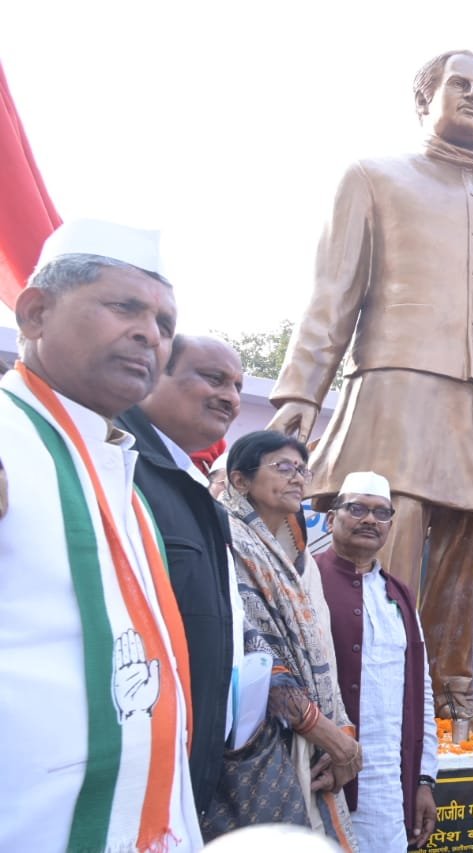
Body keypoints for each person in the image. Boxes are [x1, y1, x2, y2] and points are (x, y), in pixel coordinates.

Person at [267, 48, 473, 716]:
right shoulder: (375, 177)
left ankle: (449, 690)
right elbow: (333, 293)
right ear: (426, 99)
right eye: (460, 85)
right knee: (390, 529)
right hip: (401, 386)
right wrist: (300, 390)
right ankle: (370, 690)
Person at [0, 219, 202, 851]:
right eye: (124, 307)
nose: (150, 334)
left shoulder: (126, 477)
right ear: (34, 313)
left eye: (166, 325)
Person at [116, 334, 244, 820]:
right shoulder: (118, 465)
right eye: (213, 378)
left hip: (186, 768)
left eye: (236, 385)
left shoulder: (186, 482)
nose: (231, 397)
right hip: (127, 768)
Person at [221, 431, 362, 850]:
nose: (297, 477)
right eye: (283, 467)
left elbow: (323, 655)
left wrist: (341, 736)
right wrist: (331, 738)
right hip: (258, 747)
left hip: (318, 746)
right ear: (240, 481)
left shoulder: (298, 561)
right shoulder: (226, 540)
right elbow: (250, 649)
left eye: (302, 469)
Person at [316, 471, 439, 852]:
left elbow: (423, 691)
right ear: (331, 517)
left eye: (382, 513)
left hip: (389, 788)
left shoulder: (398, 593)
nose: (370, 520)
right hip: (322, 777)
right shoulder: (304, 577)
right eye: (357, 508)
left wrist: (423, 780)